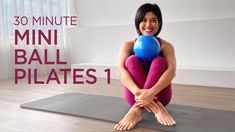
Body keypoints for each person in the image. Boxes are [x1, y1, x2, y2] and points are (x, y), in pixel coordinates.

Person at [114, 3, 176, 131]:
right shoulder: (128, 45)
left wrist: (151, 93)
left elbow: (171, 72)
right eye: (144, 20)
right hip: (134, 95)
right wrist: (140, 95)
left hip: (160, 96)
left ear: (159, 23)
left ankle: (138, 109)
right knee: (131, 60)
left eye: (153, 20)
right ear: (138, 23)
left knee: (160, 61)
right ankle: (140, 108)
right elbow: (120, 71)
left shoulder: (166, 46)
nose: (148, 25)